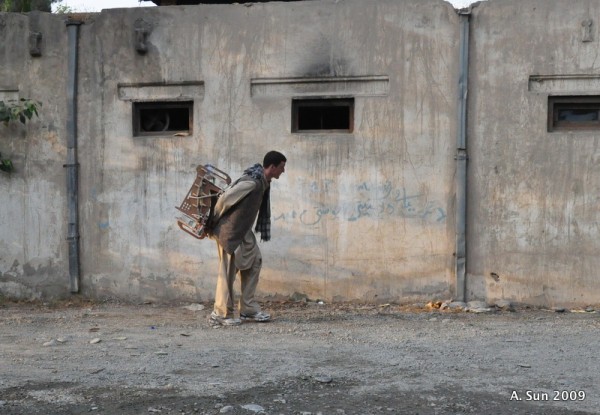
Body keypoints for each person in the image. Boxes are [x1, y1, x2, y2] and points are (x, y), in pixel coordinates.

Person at [207, 151, 287, 327]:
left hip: (243, 231)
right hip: (230, 231)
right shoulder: (252, 183)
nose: (283, 171)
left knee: (255, 261)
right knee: (227, 273)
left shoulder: (263, 183)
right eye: (281, 167)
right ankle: (220, 314)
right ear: (272, 167)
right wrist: (215, 219)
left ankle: (248, 309)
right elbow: (225, 198)